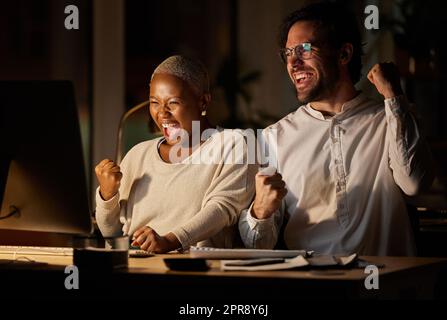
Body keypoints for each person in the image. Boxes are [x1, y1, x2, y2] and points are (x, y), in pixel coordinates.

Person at [239, 2, 434, 256]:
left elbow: (415, 183)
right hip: (312, 286)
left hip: (387, 282)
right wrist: (261, 211)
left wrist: (394, 96)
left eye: (305, 49)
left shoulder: (391, 118)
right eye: (288, 53)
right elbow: (259, 245)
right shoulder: (275, 137)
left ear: (344, 54)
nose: (293, 63)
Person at [95, 55, 256, 253]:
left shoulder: (234, 144)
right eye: (155, 102)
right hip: (137, 271)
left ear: (203, 102)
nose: (162, 113)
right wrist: (107, 195)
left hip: (195, 274)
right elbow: (112, 233)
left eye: (173, 102)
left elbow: (222, 209)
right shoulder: (138, 155)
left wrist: (170, 241)